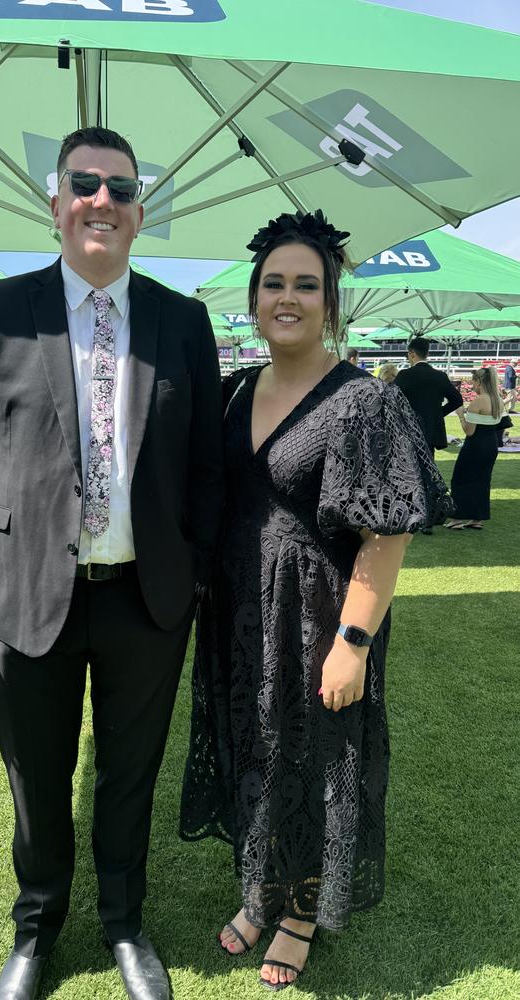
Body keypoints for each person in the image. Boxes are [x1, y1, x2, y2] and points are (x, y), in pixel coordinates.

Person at [0, 126, 224, 1000]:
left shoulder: (184, 320)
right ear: (55, 204)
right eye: (84, 184)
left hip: (148, 599)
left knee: (129, 773)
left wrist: (194, 574)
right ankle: (37, 927)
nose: (102, 200)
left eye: (121, 188)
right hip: (23, 596)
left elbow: (206, 466)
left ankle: (126, 925)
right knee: (36, 780)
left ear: (140, 212)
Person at [180, 209, 451, 991]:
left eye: (307, 284)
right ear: (254, 297)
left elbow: (387, 534)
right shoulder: (235, 393)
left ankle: (299, 912)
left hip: (320, 614)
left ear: (331, 302)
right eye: (274, 284)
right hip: (238, 612)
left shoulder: (364, 403)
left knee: (316, 756)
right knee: (252, 744)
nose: (287, 297)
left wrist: (353, 641)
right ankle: (260, 889)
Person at [394, 336, 462, 535]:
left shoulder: (405, 375)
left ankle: (409, 515)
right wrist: (437, 414)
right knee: (429, 474)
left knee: (408, 473)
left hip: (408, 432)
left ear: (412, 353)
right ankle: (428, 520)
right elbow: (456, 399)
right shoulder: (439, 376)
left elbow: (392, 401)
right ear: (428, 354)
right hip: (430, 433)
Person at [445, 367, 504, 530]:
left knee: (460, 478)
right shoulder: (498, 399)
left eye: (473, 382)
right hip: (491, 444)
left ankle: (457, 518)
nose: (472, 386)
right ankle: (477, 517)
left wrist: (460, 415)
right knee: (482, 480)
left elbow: (469, 431)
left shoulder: (478, 401)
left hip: (475, 444)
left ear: (479, 382)